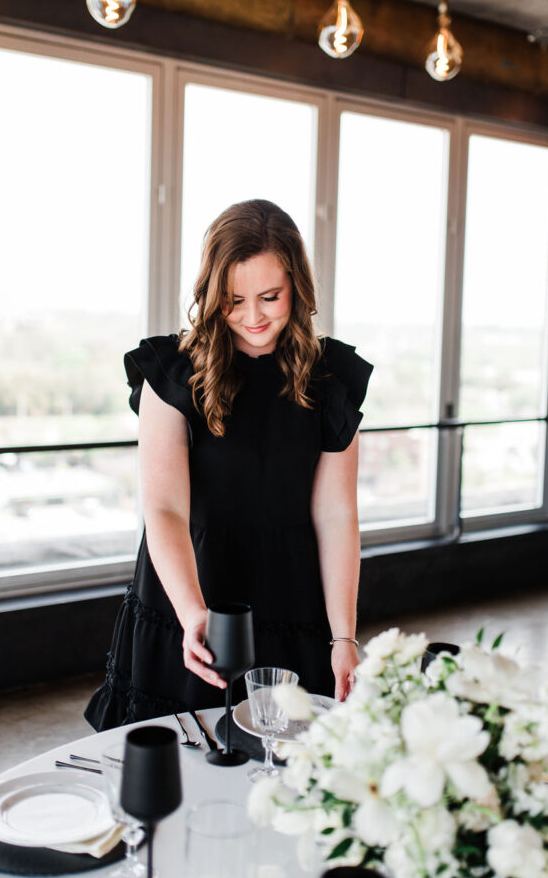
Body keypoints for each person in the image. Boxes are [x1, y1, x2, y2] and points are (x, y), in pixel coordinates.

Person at [85, 199, 372, 729]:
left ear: (298, 287)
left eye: (270, 296)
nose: (252, 316)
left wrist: (344, 637)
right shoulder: (170, 373)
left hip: (291, 596)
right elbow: (165, 509)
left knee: (284, 768)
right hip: (193, 587)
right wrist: (194, 613)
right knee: (179, 759)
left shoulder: (331, 378)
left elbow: (336, 516)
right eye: (233, 300)